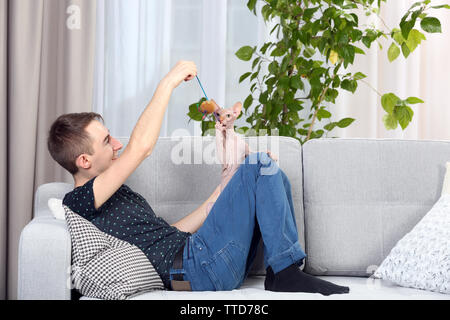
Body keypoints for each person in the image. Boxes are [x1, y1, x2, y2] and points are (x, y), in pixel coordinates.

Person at [48, 60, 349, 296]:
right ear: (83, 161)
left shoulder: (118, 195)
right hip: (196, 268)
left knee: (269, 172)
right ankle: (285, 272)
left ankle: (282, 271)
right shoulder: (78, 202)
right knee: (259, 165)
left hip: (201, 259)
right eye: (107, 140)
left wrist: (223, 192)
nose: (117, 144)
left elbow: (169, 232)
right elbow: (141, 147)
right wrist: (170, 81)